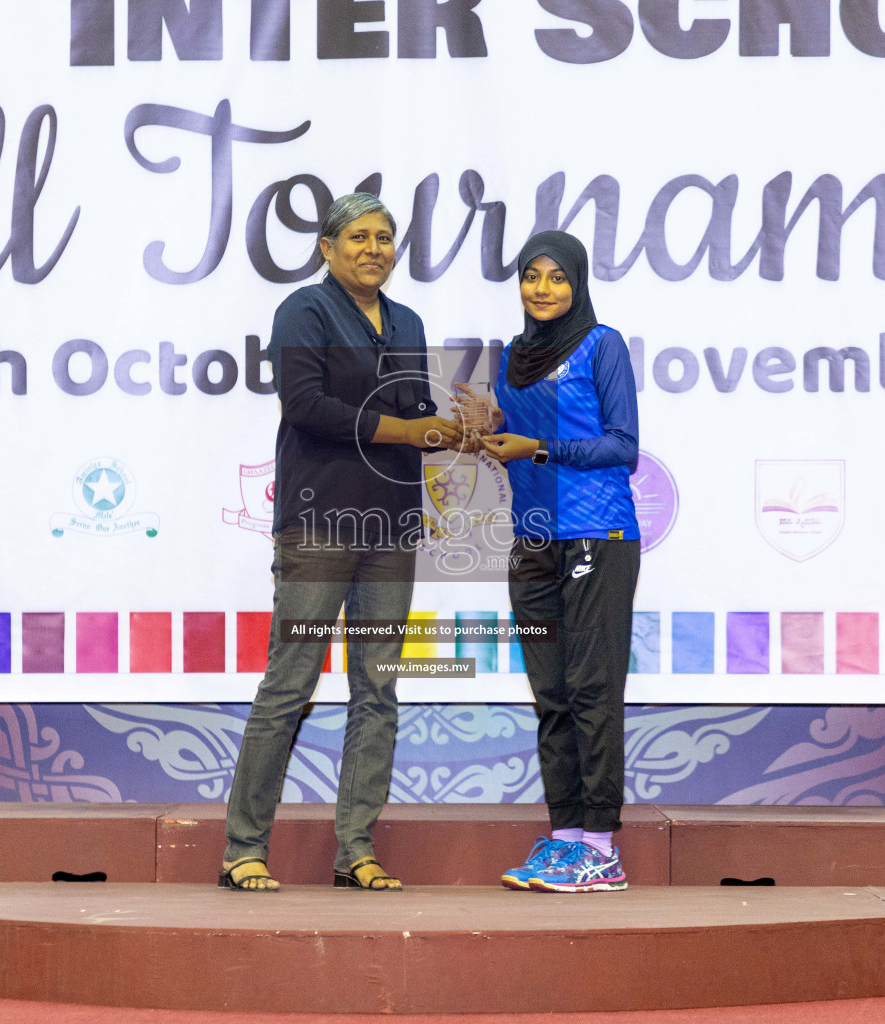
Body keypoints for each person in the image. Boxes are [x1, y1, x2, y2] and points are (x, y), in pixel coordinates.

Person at [219, 193, 463, 892]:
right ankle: (243, 848)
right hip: (318, 522)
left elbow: (419, 413)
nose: (374, 249)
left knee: (379, 689)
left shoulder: (408, 321)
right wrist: (404, 430)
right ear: (327, 247)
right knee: (290, 684)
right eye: (358, 237)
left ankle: (356, 849)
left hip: (391, 528)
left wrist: (462, 427)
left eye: (384, 238)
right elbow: (306, 406)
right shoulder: (305, 310)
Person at [475, 230, 640, 893]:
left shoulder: (603, 346)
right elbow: (512, 442)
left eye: (556, 277)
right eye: (530, 276)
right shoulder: (513, 357)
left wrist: (538, 447)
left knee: (592, 690)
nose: (541, 288)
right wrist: (482, 430)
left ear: (577, 283)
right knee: (552, 697)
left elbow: (623, 446)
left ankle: (601, 847)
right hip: (533, 542)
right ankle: (565, 837)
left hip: (597, 536)